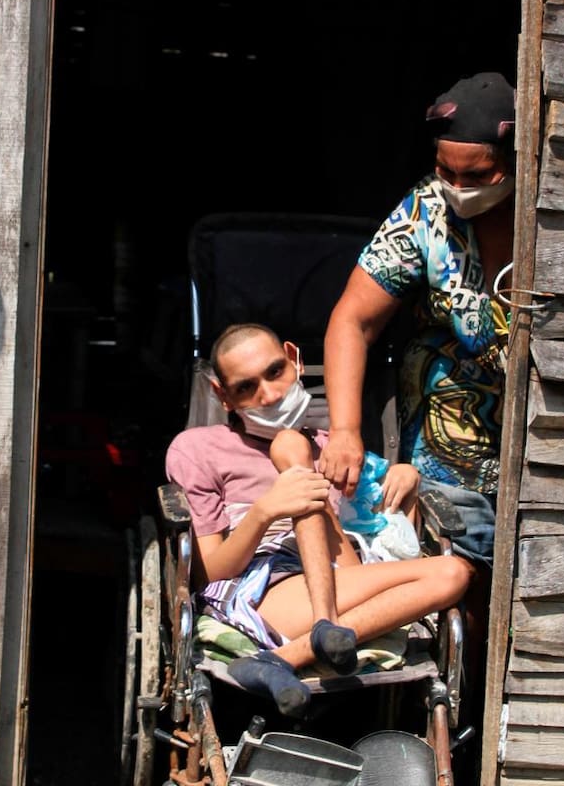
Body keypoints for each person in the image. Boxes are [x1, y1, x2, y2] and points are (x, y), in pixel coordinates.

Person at [165, 323, 473, 717]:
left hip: (342, 566)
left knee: (455, 573)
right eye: (246, 388)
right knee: (290, 445)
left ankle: (287, 657)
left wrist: (404, 483)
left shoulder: (334, 447)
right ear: (222, 396)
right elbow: (207, 573)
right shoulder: (200, 449)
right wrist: (266, 511)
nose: (270, 394)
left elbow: (383, 543)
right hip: (267, 584)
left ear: (295, 360)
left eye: (275, 371)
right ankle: (323, 626)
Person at [320, 72, 518, 568]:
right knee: (458, 560)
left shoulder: (557, 218)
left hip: (542, 433)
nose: (456, 189)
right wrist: (345, 430)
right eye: (445, 171)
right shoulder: (426, 211)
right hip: (447, 434)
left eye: (476, 178)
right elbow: (353, 319)